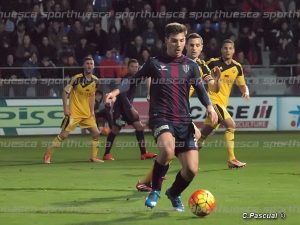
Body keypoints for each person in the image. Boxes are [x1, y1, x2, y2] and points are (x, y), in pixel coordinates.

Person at [105, 23, 218, 211]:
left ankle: (173, 193)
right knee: (167, 150)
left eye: (182, 40)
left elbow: (200, 88)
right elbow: (132, 81)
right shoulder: (154, 63)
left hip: (184, 120)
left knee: (191, 170)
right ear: (166, 40)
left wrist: (210, 107)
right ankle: (155, 190)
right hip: (161, 117)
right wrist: (115, 92)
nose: (179, 44)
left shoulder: (191, 66)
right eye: (174, 41)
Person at [136, 33, 220, 192]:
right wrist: (150, 93)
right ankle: (152, 178)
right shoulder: (171, 62)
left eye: (197, 45)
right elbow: (151, 74)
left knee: (193, 138)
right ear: (185, 46)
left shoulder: (200, 66)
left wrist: (218, 81)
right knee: (173, 148)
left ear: (202, 48)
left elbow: (211, 87)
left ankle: (155, 176)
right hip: (166, 112)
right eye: (191, 45)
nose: (194, 48)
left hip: (181, 114)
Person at [199, 39, 250, 169]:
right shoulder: (212, 63)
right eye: (225, 48)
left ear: (234, 51)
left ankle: (184, 158)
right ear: (221, 50)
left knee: (202, 135)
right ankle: (232, 160)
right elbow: (199, 73)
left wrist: (245, 92)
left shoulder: (237, 67)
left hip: (223, 104)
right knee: (231, 125)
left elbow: (242, 85)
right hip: (213, 101)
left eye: (230, 48)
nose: (227, 50)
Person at [43, 57, 103, 164]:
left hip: (86, 113)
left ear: (94, 66)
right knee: (64, 135)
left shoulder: (96, 81)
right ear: (84, 65)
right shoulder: (76, 78)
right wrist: (65, 108)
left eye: (91, 63)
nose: (89, 65)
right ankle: (48, 155)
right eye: (87, 63)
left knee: (96, 133)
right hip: (74, 113)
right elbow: (65, 92)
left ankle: (94, 157)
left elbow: (92, 96)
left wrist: (92, 111)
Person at [103, 59, 157, 161]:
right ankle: (106, 154)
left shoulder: (136, 78)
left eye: (137, 67)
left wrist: (149, 91)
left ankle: (144, 153)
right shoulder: (126, 79)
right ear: (128, 68)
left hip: (128, 109)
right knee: (115, 130)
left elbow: (148, 76)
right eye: (132, 66)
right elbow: (122, 95)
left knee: (139, 127)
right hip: (121, 109)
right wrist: (131, 108)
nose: (135, 69)